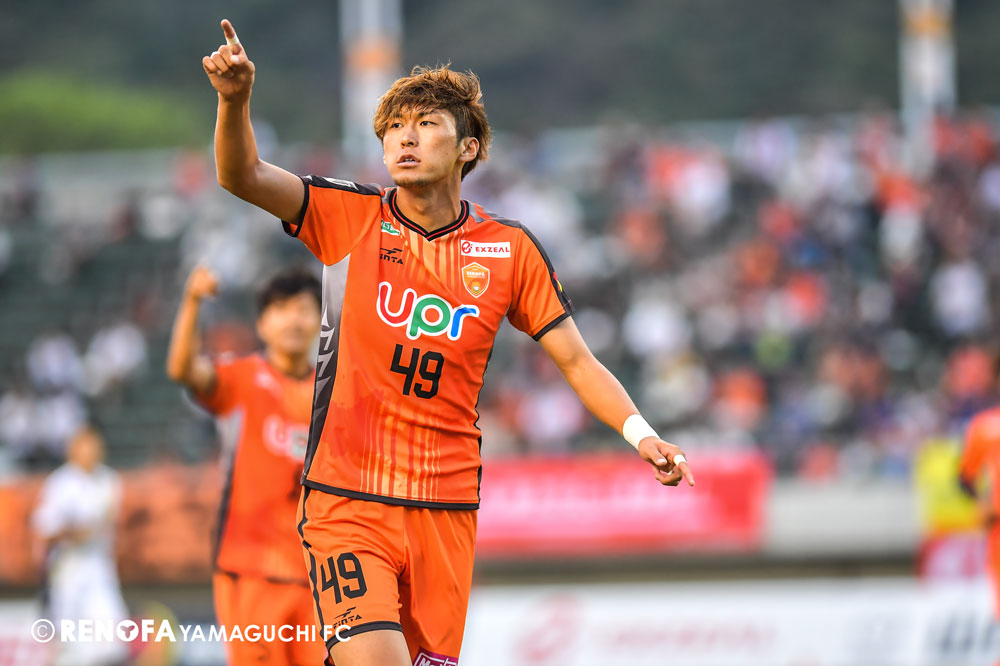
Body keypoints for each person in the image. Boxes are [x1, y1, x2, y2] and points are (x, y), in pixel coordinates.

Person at [203, 19, 695, 666]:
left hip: (447, 505)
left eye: (426, 124)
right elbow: (241, 174)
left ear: (469, 148)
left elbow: (576, 360)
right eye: (394, 127)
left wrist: (641, 434)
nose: (405, 137)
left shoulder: (510, 250)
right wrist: (235, 100)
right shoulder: (350, 216)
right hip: (347, 499)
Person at [166, 265, 326, 665]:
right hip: (251, 568)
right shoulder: (241, 378)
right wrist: (192, 301)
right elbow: (182, 369)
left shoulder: (332, 394)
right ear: (262, 323)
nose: (293, 320)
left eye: (304, 309)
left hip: (317, 577)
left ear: (319, 321)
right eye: (282, 309)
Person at [32, 424, 129, 666]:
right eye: (85, 445)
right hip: (69, 571)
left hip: (99, 568)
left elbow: (108, 525)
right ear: (72, 449)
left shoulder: (109, 481)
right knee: (70, 646)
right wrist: (74, 532)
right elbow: (45, 530)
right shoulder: (60, 483)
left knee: (111, 640)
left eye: (94, 445)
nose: (90, 451)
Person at [959, 405, 1000, 617]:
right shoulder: (985, 425)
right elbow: (965, 478)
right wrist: (983, 501)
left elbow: (965, 480)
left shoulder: (985, 425)